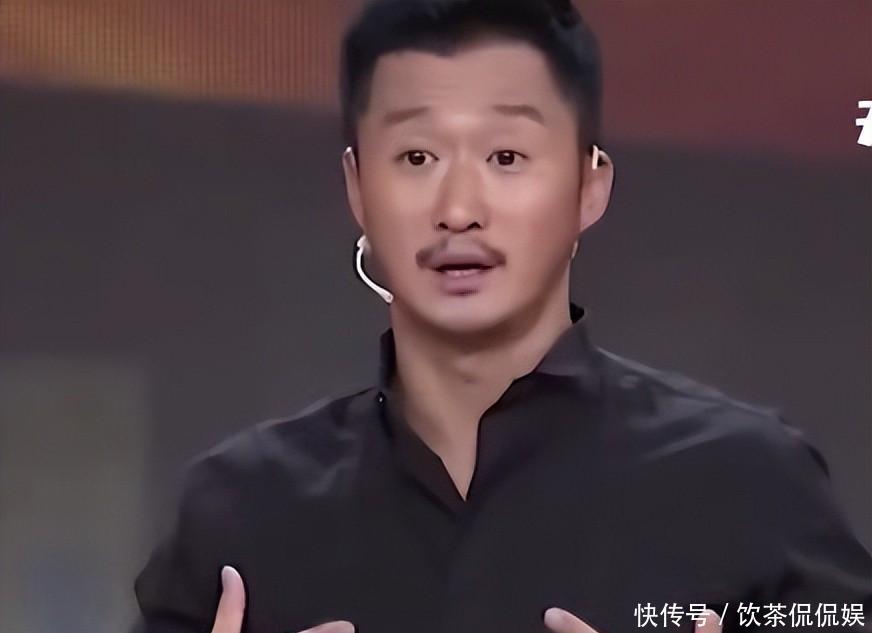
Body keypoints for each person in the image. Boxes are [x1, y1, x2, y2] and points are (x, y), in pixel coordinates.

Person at [132, 1, 872, 632]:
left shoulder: (747, 482)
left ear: (589, 186)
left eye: (507, 156)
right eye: (416, 157)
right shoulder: (241, 510)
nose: (459, 209)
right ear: (357, 187)